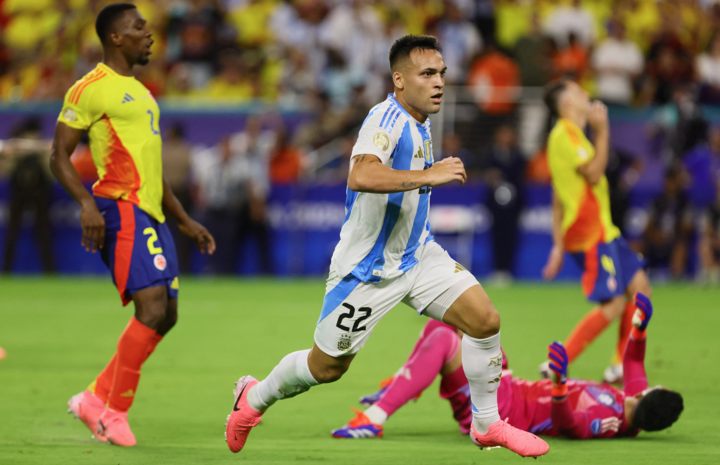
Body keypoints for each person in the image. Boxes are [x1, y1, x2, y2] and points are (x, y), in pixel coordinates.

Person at [224, 35, 549, 458]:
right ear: (399, 79)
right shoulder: (385, 120)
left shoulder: (422, 118)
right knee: (326, 368)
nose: (439, 83)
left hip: (417, 256)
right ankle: (253, 398)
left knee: (485, 320)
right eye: (427, 74)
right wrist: (430, 174)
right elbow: (361, 175)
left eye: (442, 74)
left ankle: (486, 425)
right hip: (367, 271)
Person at [49, 3, 215, 447]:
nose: (149, 34)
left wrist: (183, 220)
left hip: (153, 214)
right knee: (152, 307)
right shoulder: (91, 88)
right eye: (138, 27)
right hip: (118, 208)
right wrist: (85, 203)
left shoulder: (142, 93)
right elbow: (57, 155)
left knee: (168, 317)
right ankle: (112, 413)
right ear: (116, 37)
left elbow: (153, 172)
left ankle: (93, 398)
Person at [332, 293, 684, 440]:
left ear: (657, 391)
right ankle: (400, 388)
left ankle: (375, 418)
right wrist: (638, 328)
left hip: (501, 410)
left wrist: (561, 386)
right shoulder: (632, 401)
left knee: (442, 339)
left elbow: (572, 426)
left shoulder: (612, 421)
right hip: (511, 388)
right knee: (452, 322)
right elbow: (634, 361)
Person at [541, 78, 652, 384]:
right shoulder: (565, 135)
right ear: (567, 104)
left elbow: (557, 197)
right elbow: (592, 172)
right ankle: (560, 360)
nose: (585, 93)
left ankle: (620, 364)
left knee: (640, 289)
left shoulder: (574, 136)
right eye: (577, 92)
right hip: (588, 233)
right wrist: (603, 131)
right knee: (614, 302)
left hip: (605, 230)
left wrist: (556, 246)